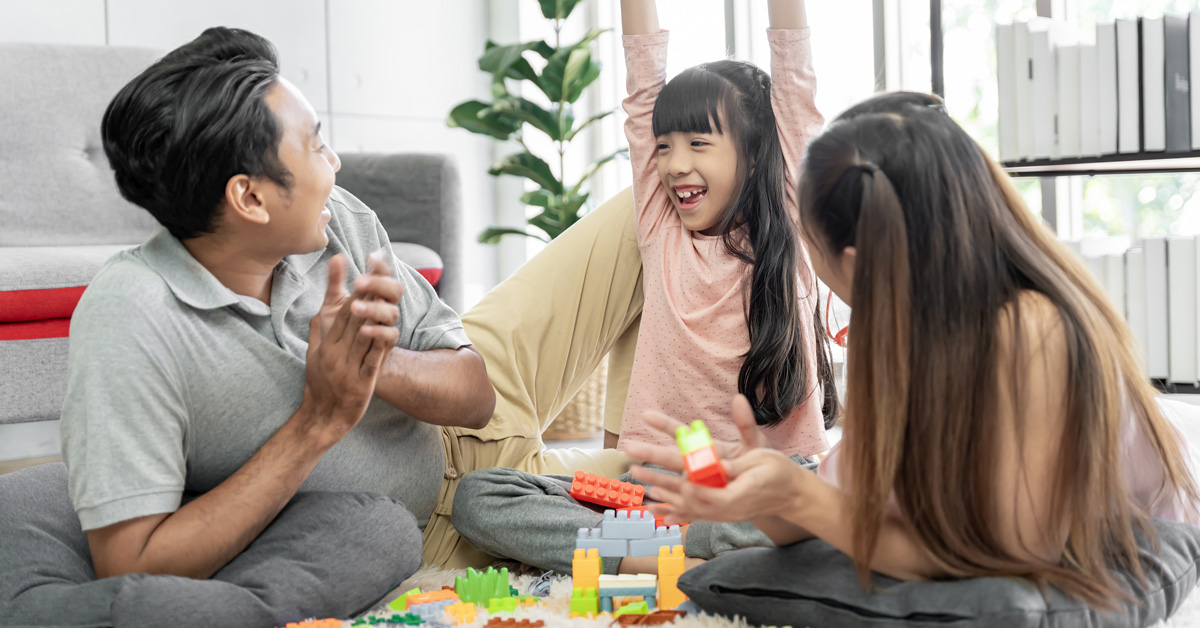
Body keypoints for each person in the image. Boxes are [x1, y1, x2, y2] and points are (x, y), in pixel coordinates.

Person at [59, 24, 650, 589]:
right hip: (451, 527)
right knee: (678, 503)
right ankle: (626, 479)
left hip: (480, 391)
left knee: (651, 204)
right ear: (250, 197)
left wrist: (382, 364)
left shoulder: (331, 217)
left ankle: (632, 441)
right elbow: (128, 566)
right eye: (316, 145)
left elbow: (477, 397)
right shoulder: (132, 320)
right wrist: (319, 420)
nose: (335, 162)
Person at [626, 91, 1200, 607]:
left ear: (858, 264)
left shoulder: (1035, 332)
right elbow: (850, 518)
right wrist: (765, 490)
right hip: (995, 546)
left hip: (1102, 547)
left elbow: (1013, 554)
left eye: (816, 252)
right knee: (769, 560)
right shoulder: (902, 343)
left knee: (759, 571)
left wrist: (804, 497)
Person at [451, 0, 834, 577]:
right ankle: (684, 547)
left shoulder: (790, 216)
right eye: (664, 146)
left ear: (757, 157)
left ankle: (649, 550)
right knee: (480, 498)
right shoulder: (660, 225)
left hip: (765, 480)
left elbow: (794, 79)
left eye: (699, 144)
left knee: (827, 498)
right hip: (656, 490)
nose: (676, 164)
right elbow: (641, 86)